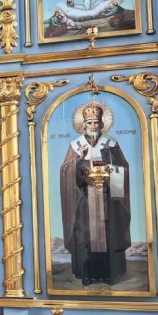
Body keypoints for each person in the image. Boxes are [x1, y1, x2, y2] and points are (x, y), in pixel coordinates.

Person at [59, 103, 130, 286]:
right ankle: (87, 274)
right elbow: (66, 170)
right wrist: (79, 161)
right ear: (84, 125)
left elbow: (123, 167)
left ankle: (110, 273)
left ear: (102, 123)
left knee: (109, 235)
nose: (93, 126)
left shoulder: (111, 143)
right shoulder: (76, 146)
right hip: (85, 199)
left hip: (108, 199)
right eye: (89, 122)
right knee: (85, 237)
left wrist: (112, 169)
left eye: (96, 122)